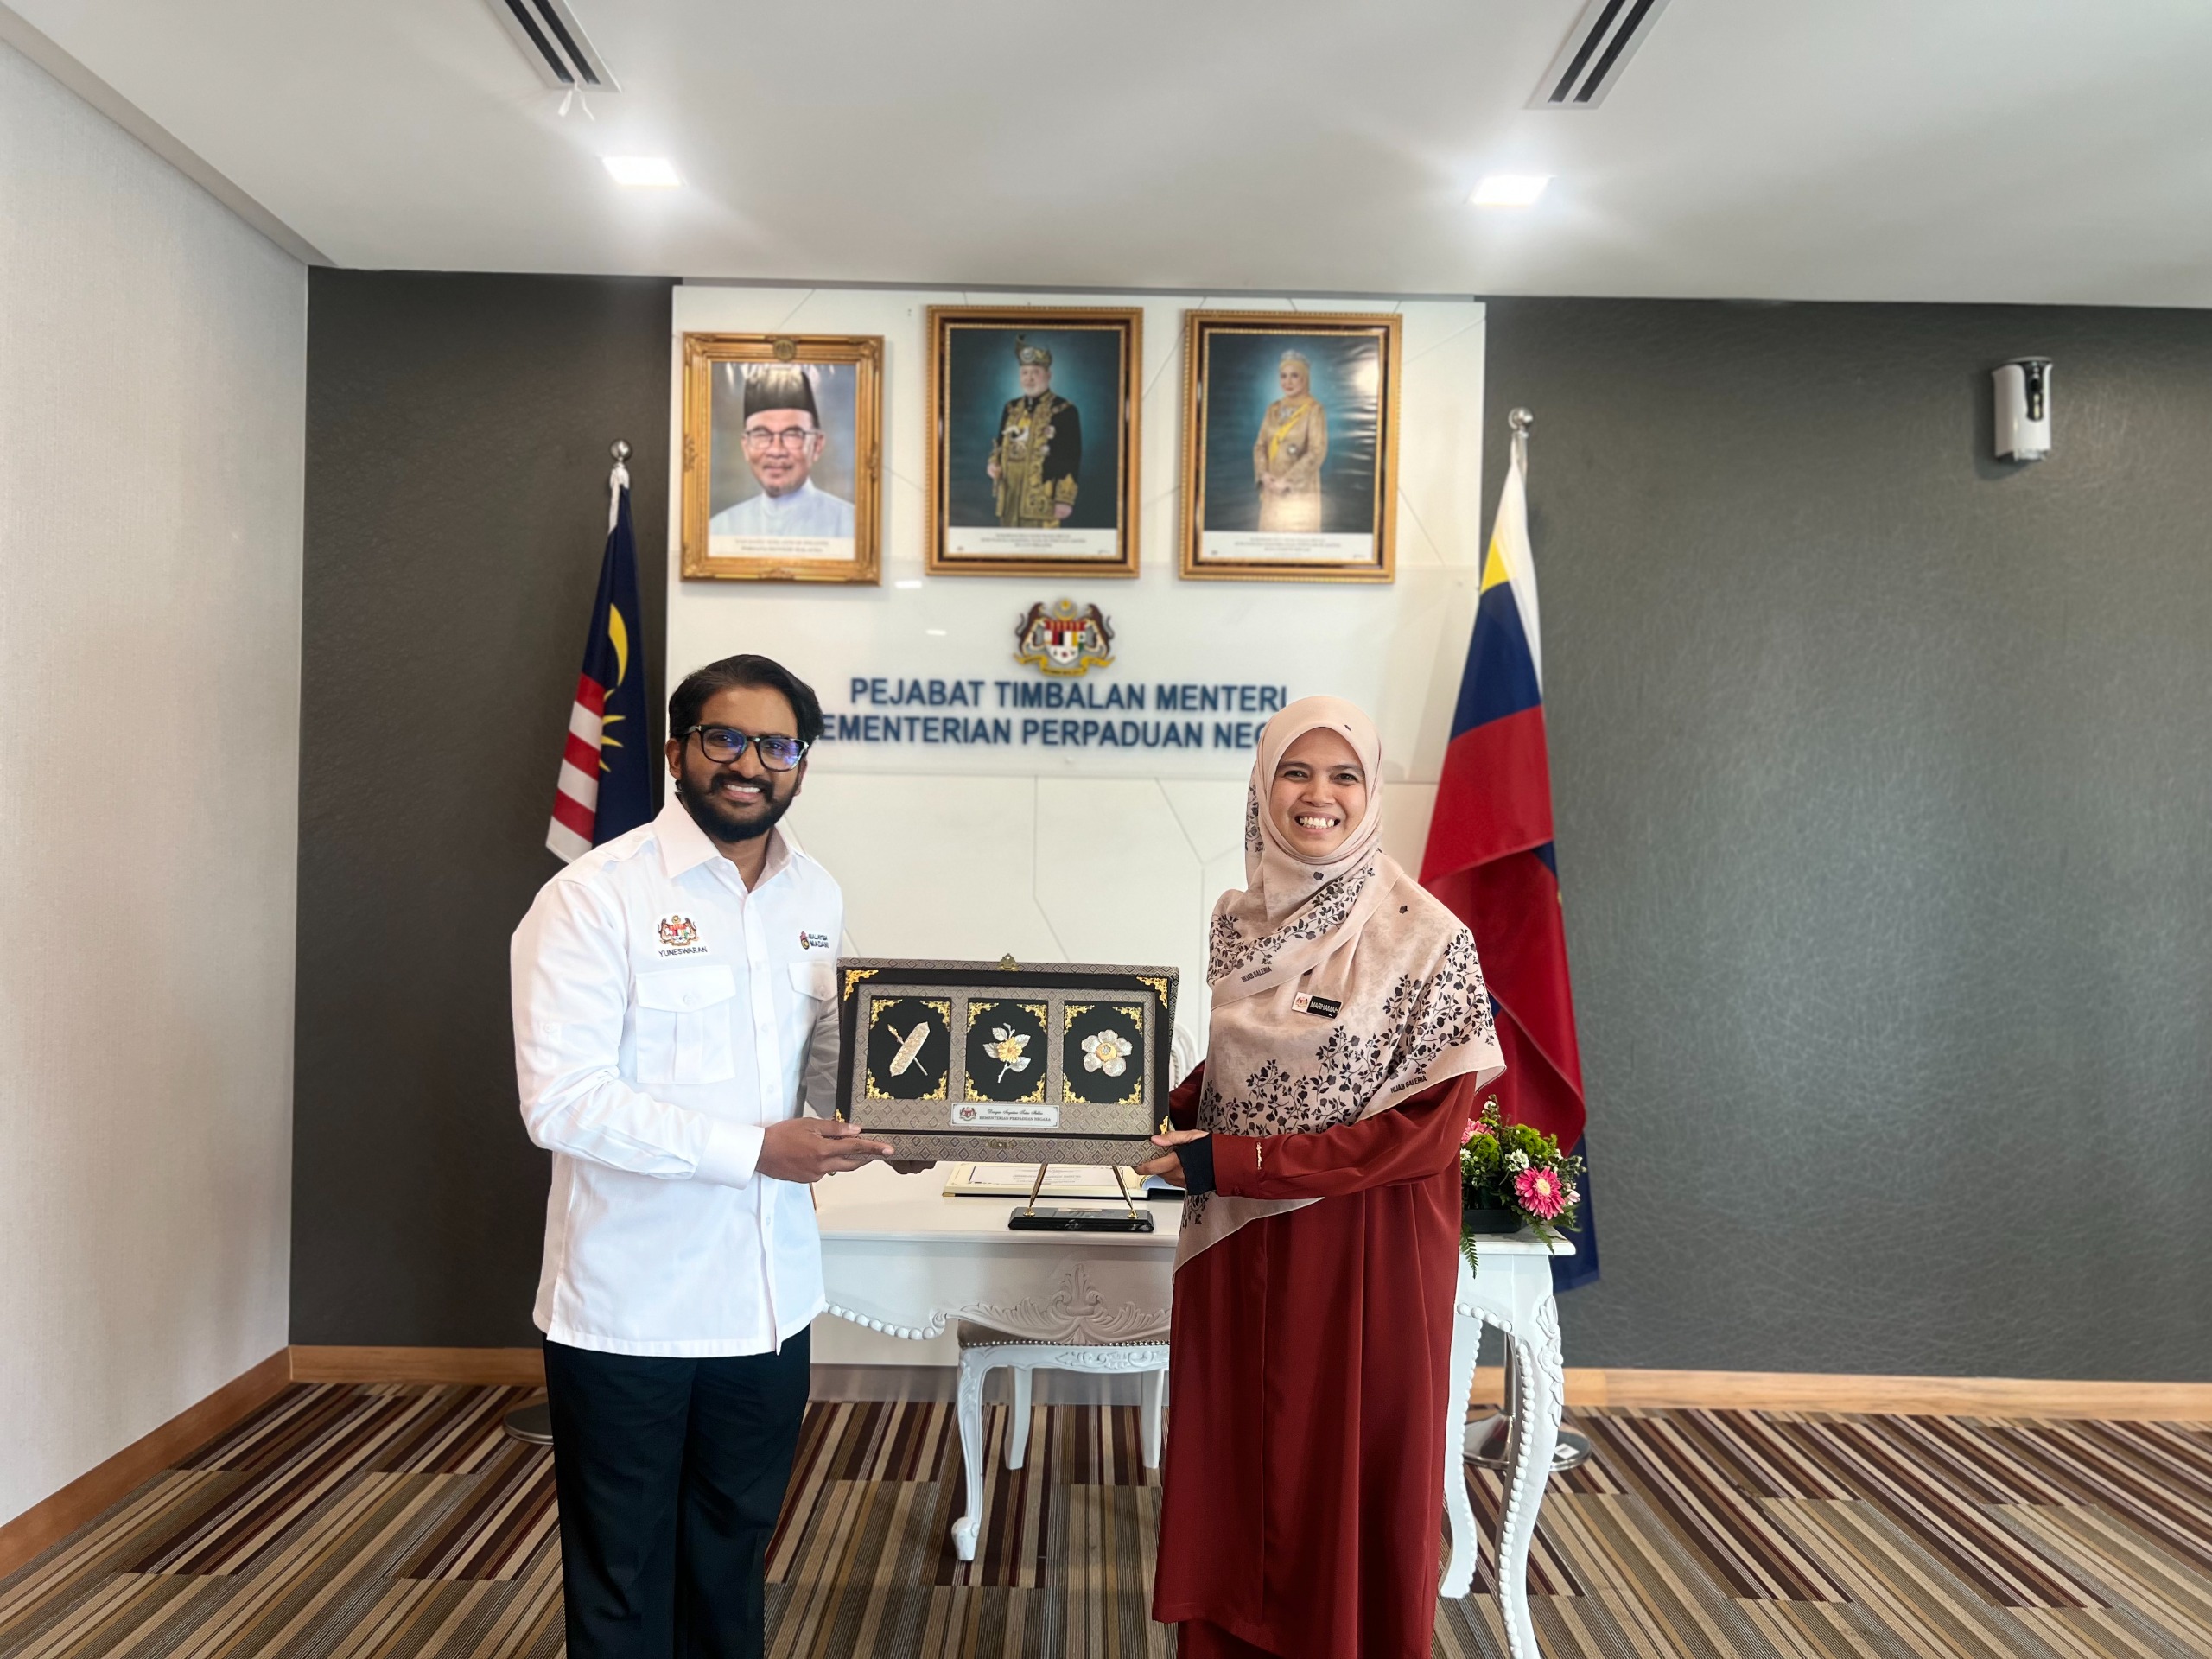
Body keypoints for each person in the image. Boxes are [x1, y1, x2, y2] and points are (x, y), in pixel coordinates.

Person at [511, 653, 894, 1659]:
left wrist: (893, 1123)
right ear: (678, 751)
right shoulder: (593, 897)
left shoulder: (815, 894)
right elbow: (562, 1101)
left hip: (767, 1301)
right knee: (624, 1573)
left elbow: (825, 1061)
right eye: (724, 739)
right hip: (629, 1305)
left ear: (801, 764)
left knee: (732, 1556)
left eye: (776, 747)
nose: (749, 764)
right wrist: (754, 1151)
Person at [1137, 696, 1505, 1659]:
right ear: (1262, 787)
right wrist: (1146, 1100)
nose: (1318, 795)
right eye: (1295, 772)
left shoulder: (1428, 939)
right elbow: (1248, 1067)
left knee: (1339, 1482)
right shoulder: (1241, 917)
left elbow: (1423, 1136)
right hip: (1235, 1246)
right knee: (1236, 1475)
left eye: (1343, 775)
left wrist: (1234, 1159)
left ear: (1372, 790)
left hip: (1361, 1258)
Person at [708, 365, 855, 540]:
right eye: (761, 434)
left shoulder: (852, 526)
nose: (776, 451)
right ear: (745, 447)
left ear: (817, 445)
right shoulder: (719, 530)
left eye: (792, 435)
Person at [985, 335, 1083, 527]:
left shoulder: (1065, 410)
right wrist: (993, 464)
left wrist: (1064, 499)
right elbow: (999, 446)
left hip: (1043, 498)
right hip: (1010, 497)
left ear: (1048, 375)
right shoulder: (1011, 408)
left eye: (1035, 372)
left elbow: (1071, 456)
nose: (1029, 378)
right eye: (1024, 372)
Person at [1251, 350, 1328, 533]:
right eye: (1283, 376)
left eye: (1294, 376)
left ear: (1305, 378)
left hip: (1299, 491)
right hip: (1271, 488)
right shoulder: (1273, 409)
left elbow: (1317, 451)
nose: (1288, 382)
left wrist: (1287, 480)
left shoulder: (1314, 410)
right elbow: (1260, 446)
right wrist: (1264, 475)